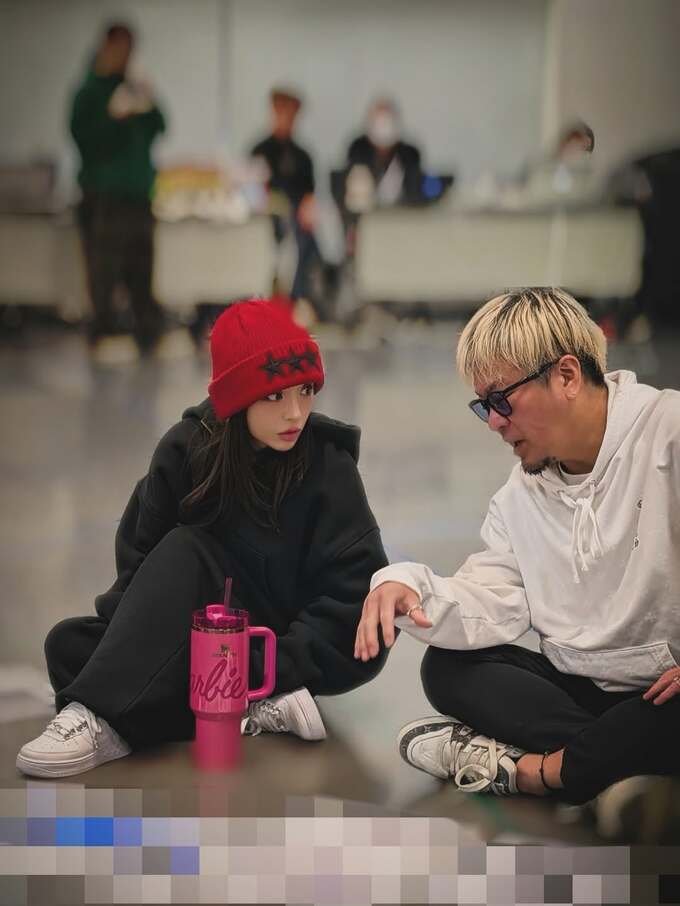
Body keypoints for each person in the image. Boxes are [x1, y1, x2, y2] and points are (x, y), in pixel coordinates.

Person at [17, 298, 389, 778]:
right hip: (196, 638)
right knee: (68, 645)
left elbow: (356, 597)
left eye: (305, 391)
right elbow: (139, 569)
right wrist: (124, 641)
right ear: (236, 400)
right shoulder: (187, 449)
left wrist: (269, 665)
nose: (295, 413)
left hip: (276, 646)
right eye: (274, 397)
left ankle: (103, 714)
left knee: (186, 549)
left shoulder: (328, 467)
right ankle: (243, 706)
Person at [355, 287, 680, 806]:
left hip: (667, 690)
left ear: (567, 376)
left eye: (501, 399)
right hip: (586, 694)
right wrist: (408, 585)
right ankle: (620, 770)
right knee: (448, 668)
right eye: (483, 406)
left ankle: (537, 772)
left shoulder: (670, 434)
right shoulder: (518, 498)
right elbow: (491, 596)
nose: (494, 422)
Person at [70, 22, 166, 353]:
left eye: (130, 50)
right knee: (104, 268)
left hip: (139, 193)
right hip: (104, 195)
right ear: (106, 47)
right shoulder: (89, 92)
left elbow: (160, 126)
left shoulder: (133, 88)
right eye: (120, 49)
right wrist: (112, 118)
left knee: (142, 265)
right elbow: (84, 141)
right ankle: (104, 332)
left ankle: (147, 332)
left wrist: (149, 98)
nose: (125, 57)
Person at [250, 88, 328, 317]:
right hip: (266, 220)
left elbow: (309, 197)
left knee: (305, 242)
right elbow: (252, 193)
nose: (286, 117)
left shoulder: (303, 157)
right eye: (281, 111)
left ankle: (298, 299)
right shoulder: (260, 151)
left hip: (295, 222)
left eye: (291, 113)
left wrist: (305, 210)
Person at [339, 99, 423, 256]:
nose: (383, 126)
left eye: (388, 120)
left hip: (400, 224)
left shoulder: (409, 153)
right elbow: (350, 195)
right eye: (379, 121)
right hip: (365, 224)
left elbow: (416, 191)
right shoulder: (358, 149)